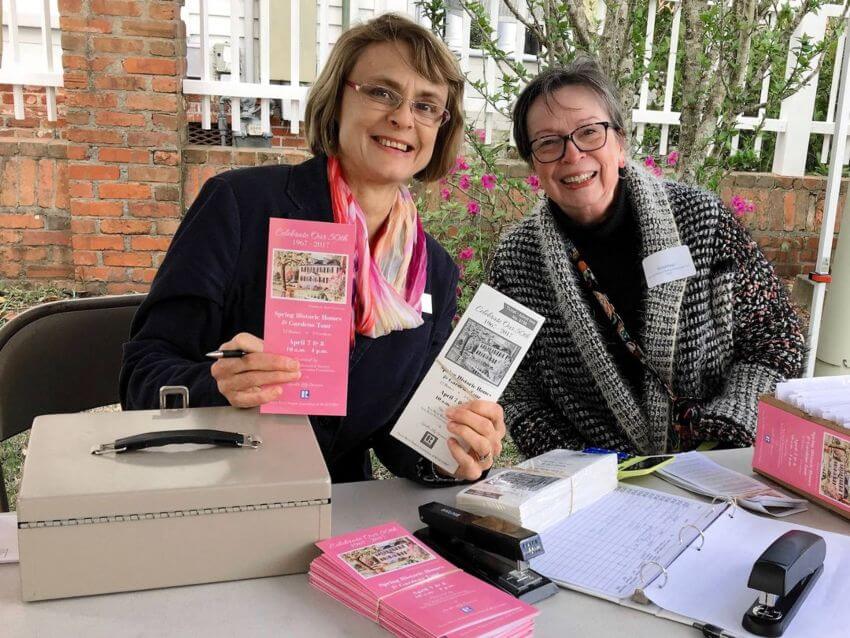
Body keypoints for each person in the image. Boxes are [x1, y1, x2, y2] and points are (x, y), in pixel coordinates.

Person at [120, 14, 506, 483]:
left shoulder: (433, 271)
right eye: (382, 92)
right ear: (337, 100)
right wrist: (215, 385)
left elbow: (398, 437)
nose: (403, 117)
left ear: (441, 130)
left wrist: (455, 451)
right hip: (215, 490)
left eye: (427, 106)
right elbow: (141, 373)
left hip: (339, 510)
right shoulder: (240, 206)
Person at [489, 59, 805, 457]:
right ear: (533, 163)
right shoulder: (517, 261)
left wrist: (728, 430)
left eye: (589, 132)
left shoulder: (701, 222)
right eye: (548, 142)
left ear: (619, 144)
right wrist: (574, 464)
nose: (572, 154)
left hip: (719, 465)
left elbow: (776, 341)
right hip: (590, 486)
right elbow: (515, 391)